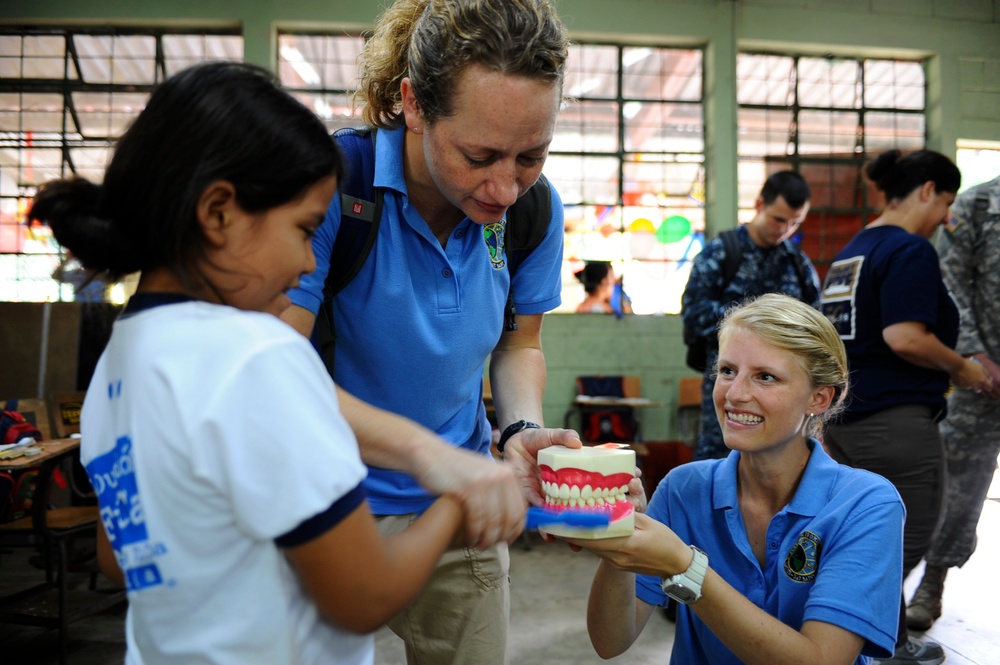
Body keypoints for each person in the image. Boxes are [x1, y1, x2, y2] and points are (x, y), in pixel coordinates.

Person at [27, 61, 468, 665]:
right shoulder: (259, 355)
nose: (310, 263)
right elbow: (365, 596)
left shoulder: (121, 360)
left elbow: (118, 554)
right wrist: (461, 497)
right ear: (218, 213)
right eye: (303, 229)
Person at [280, 1, 582, 662]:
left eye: (531, 155)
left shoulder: (535, 210)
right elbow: (275, 370)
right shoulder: (335, 188)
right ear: (414, 105)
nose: (504, 188)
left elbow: (519, 343)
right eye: (480, 155)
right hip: (324, 507)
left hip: (462, 512)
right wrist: (428, 453)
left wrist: (521, 430)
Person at [567, 293, 904, 665]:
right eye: (727, 371)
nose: (735, 394)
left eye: (765, 377)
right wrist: (620, 545)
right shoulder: (684, 490)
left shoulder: (866, 504)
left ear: (819, 398)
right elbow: (609, 642)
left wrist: (685, 567)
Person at [819, 149, 993, 665]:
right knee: (903, 538)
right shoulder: (909, 251)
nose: (946, 218)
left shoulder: (854, 249)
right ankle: (851, 641)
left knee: (867, 536)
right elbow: (905, 336)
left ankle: (887, 643)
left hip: (846, 420)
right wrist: (963, 369)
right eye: (945, 203)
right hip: (895, 423)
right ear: (927, 191)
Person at [905, 174, 1000, 631]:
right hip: (983, 378)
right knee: (957, 485)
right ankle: (932, 583)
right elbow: (952, 282)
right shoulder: (979, 204)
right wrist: (972, 353)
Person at [681, 170, 820, 460]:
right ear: (759, 205)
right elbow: (694, 315)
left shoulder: (796, 263)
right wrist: (753, 324)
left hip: (781, 391)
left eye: (795, 223)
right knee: (719, 460)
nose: (785, 230)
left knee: (780, 463)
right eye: (778, 219)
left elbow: (815, 326)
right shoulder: (722, 253)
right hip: (730, 385)